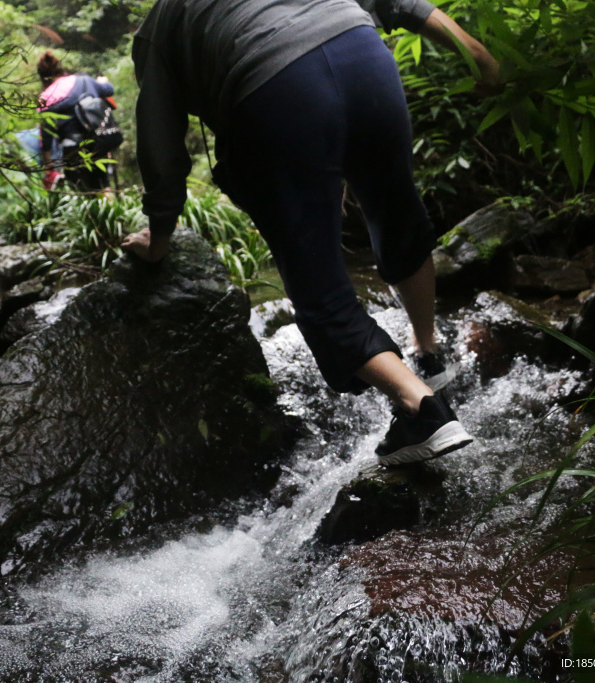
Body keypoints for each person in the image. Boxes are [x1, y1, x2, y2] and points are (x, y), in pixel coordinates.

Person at [122, 0, 501, 466]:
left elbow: (161, 146)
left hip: (273, 93)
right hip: (364, 55)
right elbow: (401, 4)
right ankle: (428, 352)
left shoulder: (163, 24)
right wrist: (476, 53)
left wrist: (159, 236)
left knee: (317, 287)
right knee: (396, 211)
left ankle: (421, 408)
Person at [36, 51, 119, 192]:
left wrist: (49, 169)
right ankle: (110, 209)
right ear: (60, 68)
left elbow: (46, 139)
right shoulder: (84, 80)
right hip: (97, 142)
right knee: (104, 186)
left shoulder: (46, 98)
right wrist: (103, 81)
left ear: (42, 77)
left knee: (81, 190)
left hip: (72, 148)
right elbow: (108, 90)